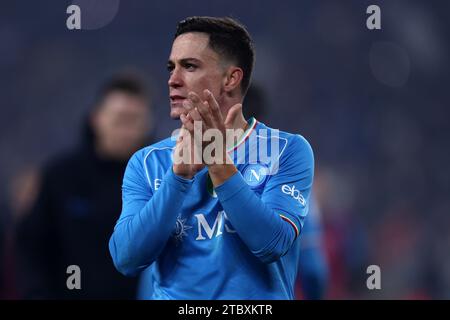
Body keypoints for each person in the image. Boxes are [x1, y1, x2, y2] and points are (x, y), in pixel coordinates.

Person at [109, 16, 314, 299]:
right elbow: (127, 259)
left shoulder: (286, 150)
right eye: (171, 68)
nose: (173, 80)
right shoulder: (147, 162)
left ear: (231, 78)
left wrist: (218, 163)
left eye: (189, 66)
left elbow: (272, 243)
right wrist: (177, 179)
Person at [15, 73, 153, 299]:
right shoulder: (62, 175)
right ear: (96, 118)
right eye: (120, 119)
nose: (127, 130)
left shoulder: (157, 179)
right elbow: (31, 244)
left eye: (135, 120)